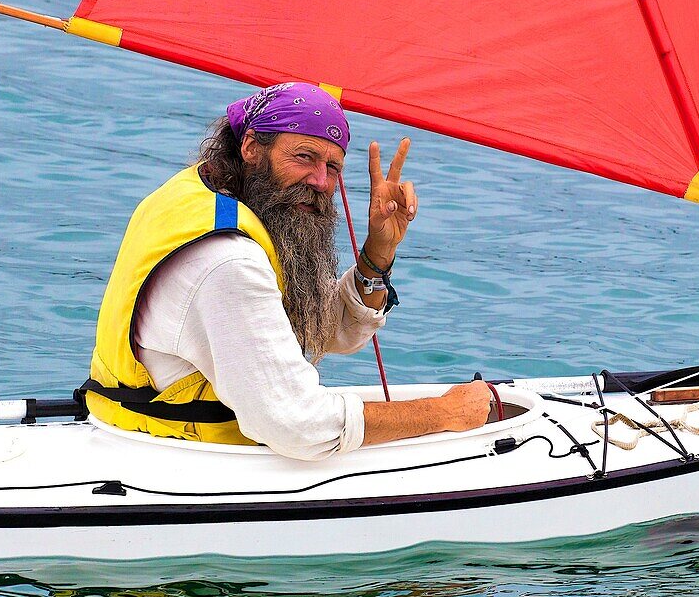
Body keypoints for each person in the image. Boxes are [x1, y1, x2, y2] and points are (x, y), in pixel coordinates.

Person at [82, 82, 492, 459]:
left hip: (128, 436)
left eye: (333, 168)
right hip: (183, 466)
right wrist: (443, 414)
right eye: (304, 157)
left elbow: (312, 327)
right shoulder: (228, 260)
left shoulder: (197, 193)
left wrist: (379, 250)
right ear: (250, 148)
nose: (319, 181)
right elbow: (298, 424)